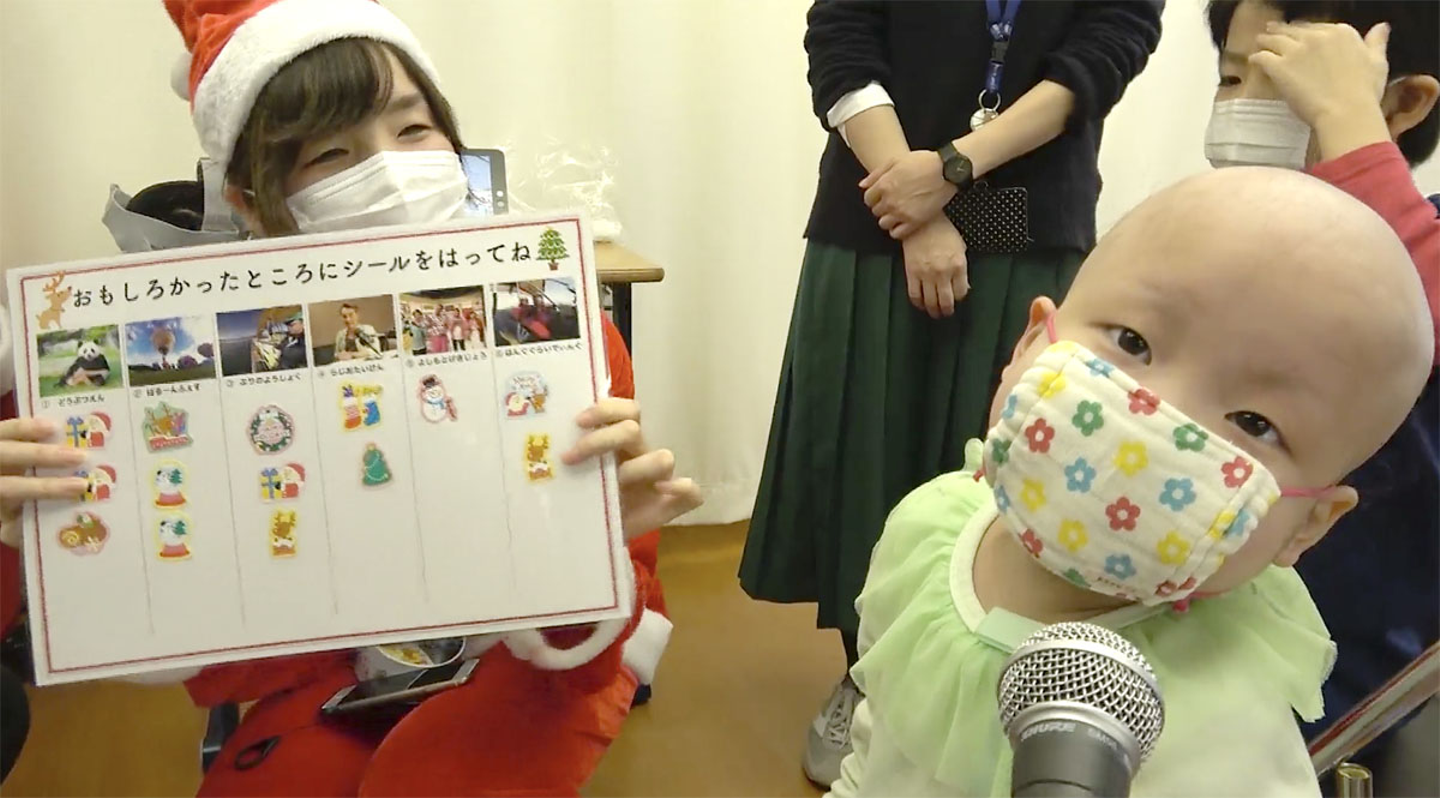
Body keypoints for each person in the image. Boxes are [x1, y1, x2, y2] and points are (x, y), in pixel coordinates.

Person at [0, 0, 702, 794]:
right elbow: (209, 635)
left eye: (414, 130)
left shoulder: (552, 328)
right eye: (331, 152)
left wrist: (589, 544)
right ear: (249, 197)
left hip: (528, 669)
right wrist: (78, 544)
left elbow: (582, 656)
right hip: (326, 671)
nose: (389, 170)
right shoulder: (226, 358)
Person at [828, 168, 1432, 797]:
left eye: (1255, 422)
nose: (1158, 414)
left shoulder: (1227, 723)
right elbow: (878, 741)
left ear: (1307, 525)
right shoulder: (928, 531)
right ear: (1031, 340)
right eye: (1133, 342)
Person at [737, 0, 1164, 783]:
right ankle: (867, 673)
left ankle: (979, 684)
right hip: (875, 213)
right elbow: (841, 40)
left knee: (1000, 474)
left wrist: (948, 173)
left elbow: (1099, 59)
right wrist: (911, 208)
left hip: (1025, 219)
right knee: (865, 455)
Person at [1204, 0, 1439, 765]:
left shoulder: (1420, 243)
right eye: (1230, 78)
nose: (1242, 104)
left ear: (1402, 103)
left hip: (1345, 683)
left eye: (1288, 81)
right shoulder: (1218, 238)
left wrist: (1348, 127)